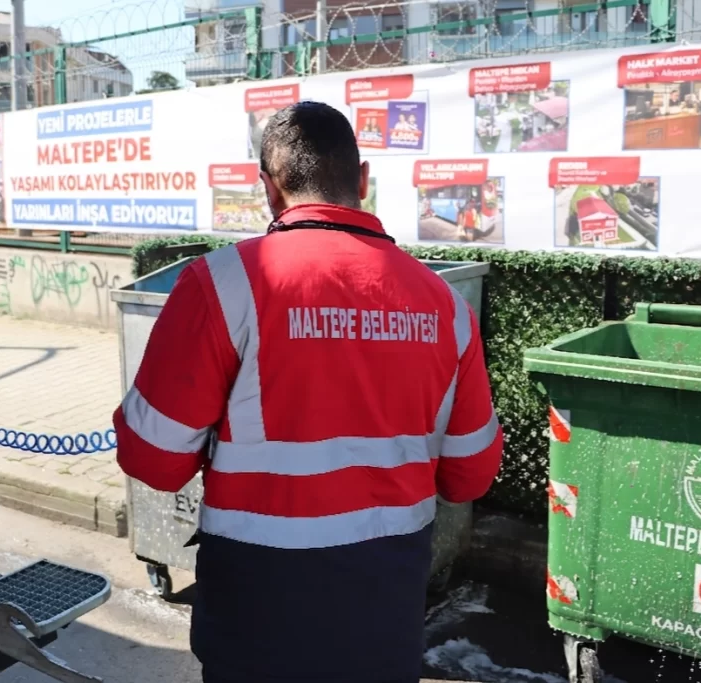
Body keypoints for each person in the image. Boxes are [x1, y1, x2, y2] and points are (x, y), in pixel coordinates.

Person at [112, 101, 503, 683]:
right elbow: (470, 474)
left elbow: (153, 459)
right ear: (362, 180)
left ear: (269, 189)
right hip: (385, 612)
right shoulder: (444, 307)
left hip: (257, 614)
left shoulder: (221, 285)